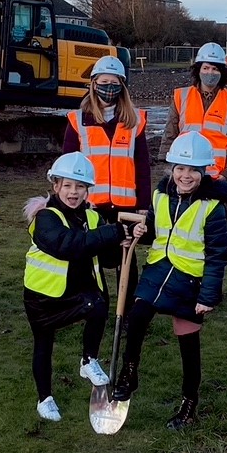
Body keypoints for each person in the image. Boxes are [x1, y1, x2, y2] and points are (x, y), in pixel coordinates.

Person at [110, 132, 227, 429]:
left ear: (204, 172)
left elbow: (218, 255)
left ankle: (188, 404)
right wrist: (143, 233)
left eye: (193, 170)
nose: (185, 175)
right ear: (172, 168)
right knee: (137, 317)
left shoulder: (213, 207)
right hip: (158, 269)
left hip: (189, 280)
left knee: (187, 342)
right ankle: (129, 371)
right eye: (180, 168)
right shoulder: (161, 194)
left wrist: (208, 295)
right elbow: (156, 230)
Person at [22, 152, 147, 422]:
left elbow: (109, 259)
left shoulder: (92, 218)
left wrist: (121, 243)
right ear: (55, 186)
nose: (73, 192)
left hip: (77, 293)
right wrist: (112, 232)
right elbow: (67, 245)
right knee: (43, 344)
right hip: (42, 297)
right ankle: (45, 398)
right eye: (67, 185)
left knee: (99, 305)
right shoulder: (45, 218)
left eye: (79, 186)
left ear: (87, 190)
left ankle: (88, 360)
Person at [62, 54, 151, 310]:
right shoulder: (78, 121)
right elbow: (69, 167)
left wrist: (143, 205)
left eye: (114, 83)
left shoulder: (135, 121)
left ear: (122, 86)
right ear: (93, 84)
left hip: (127, 209)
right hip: (91, 207)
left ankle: (128, 310)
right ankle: (95, 307)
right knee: (92, 261)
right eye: (104, 82)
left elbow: (142, 167)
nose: (108, 89)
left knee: (127, 262)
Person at [162, 43, 227, 181]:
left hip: (217, 177)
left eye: (215, 69)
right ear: (198, 69)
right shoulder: (181, 96)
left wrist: (225, 176)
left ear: (222, 72)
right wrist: (169, 170)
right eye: (206, 68)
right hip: (185, 176)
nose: (210, 73)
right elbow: (170, 134)